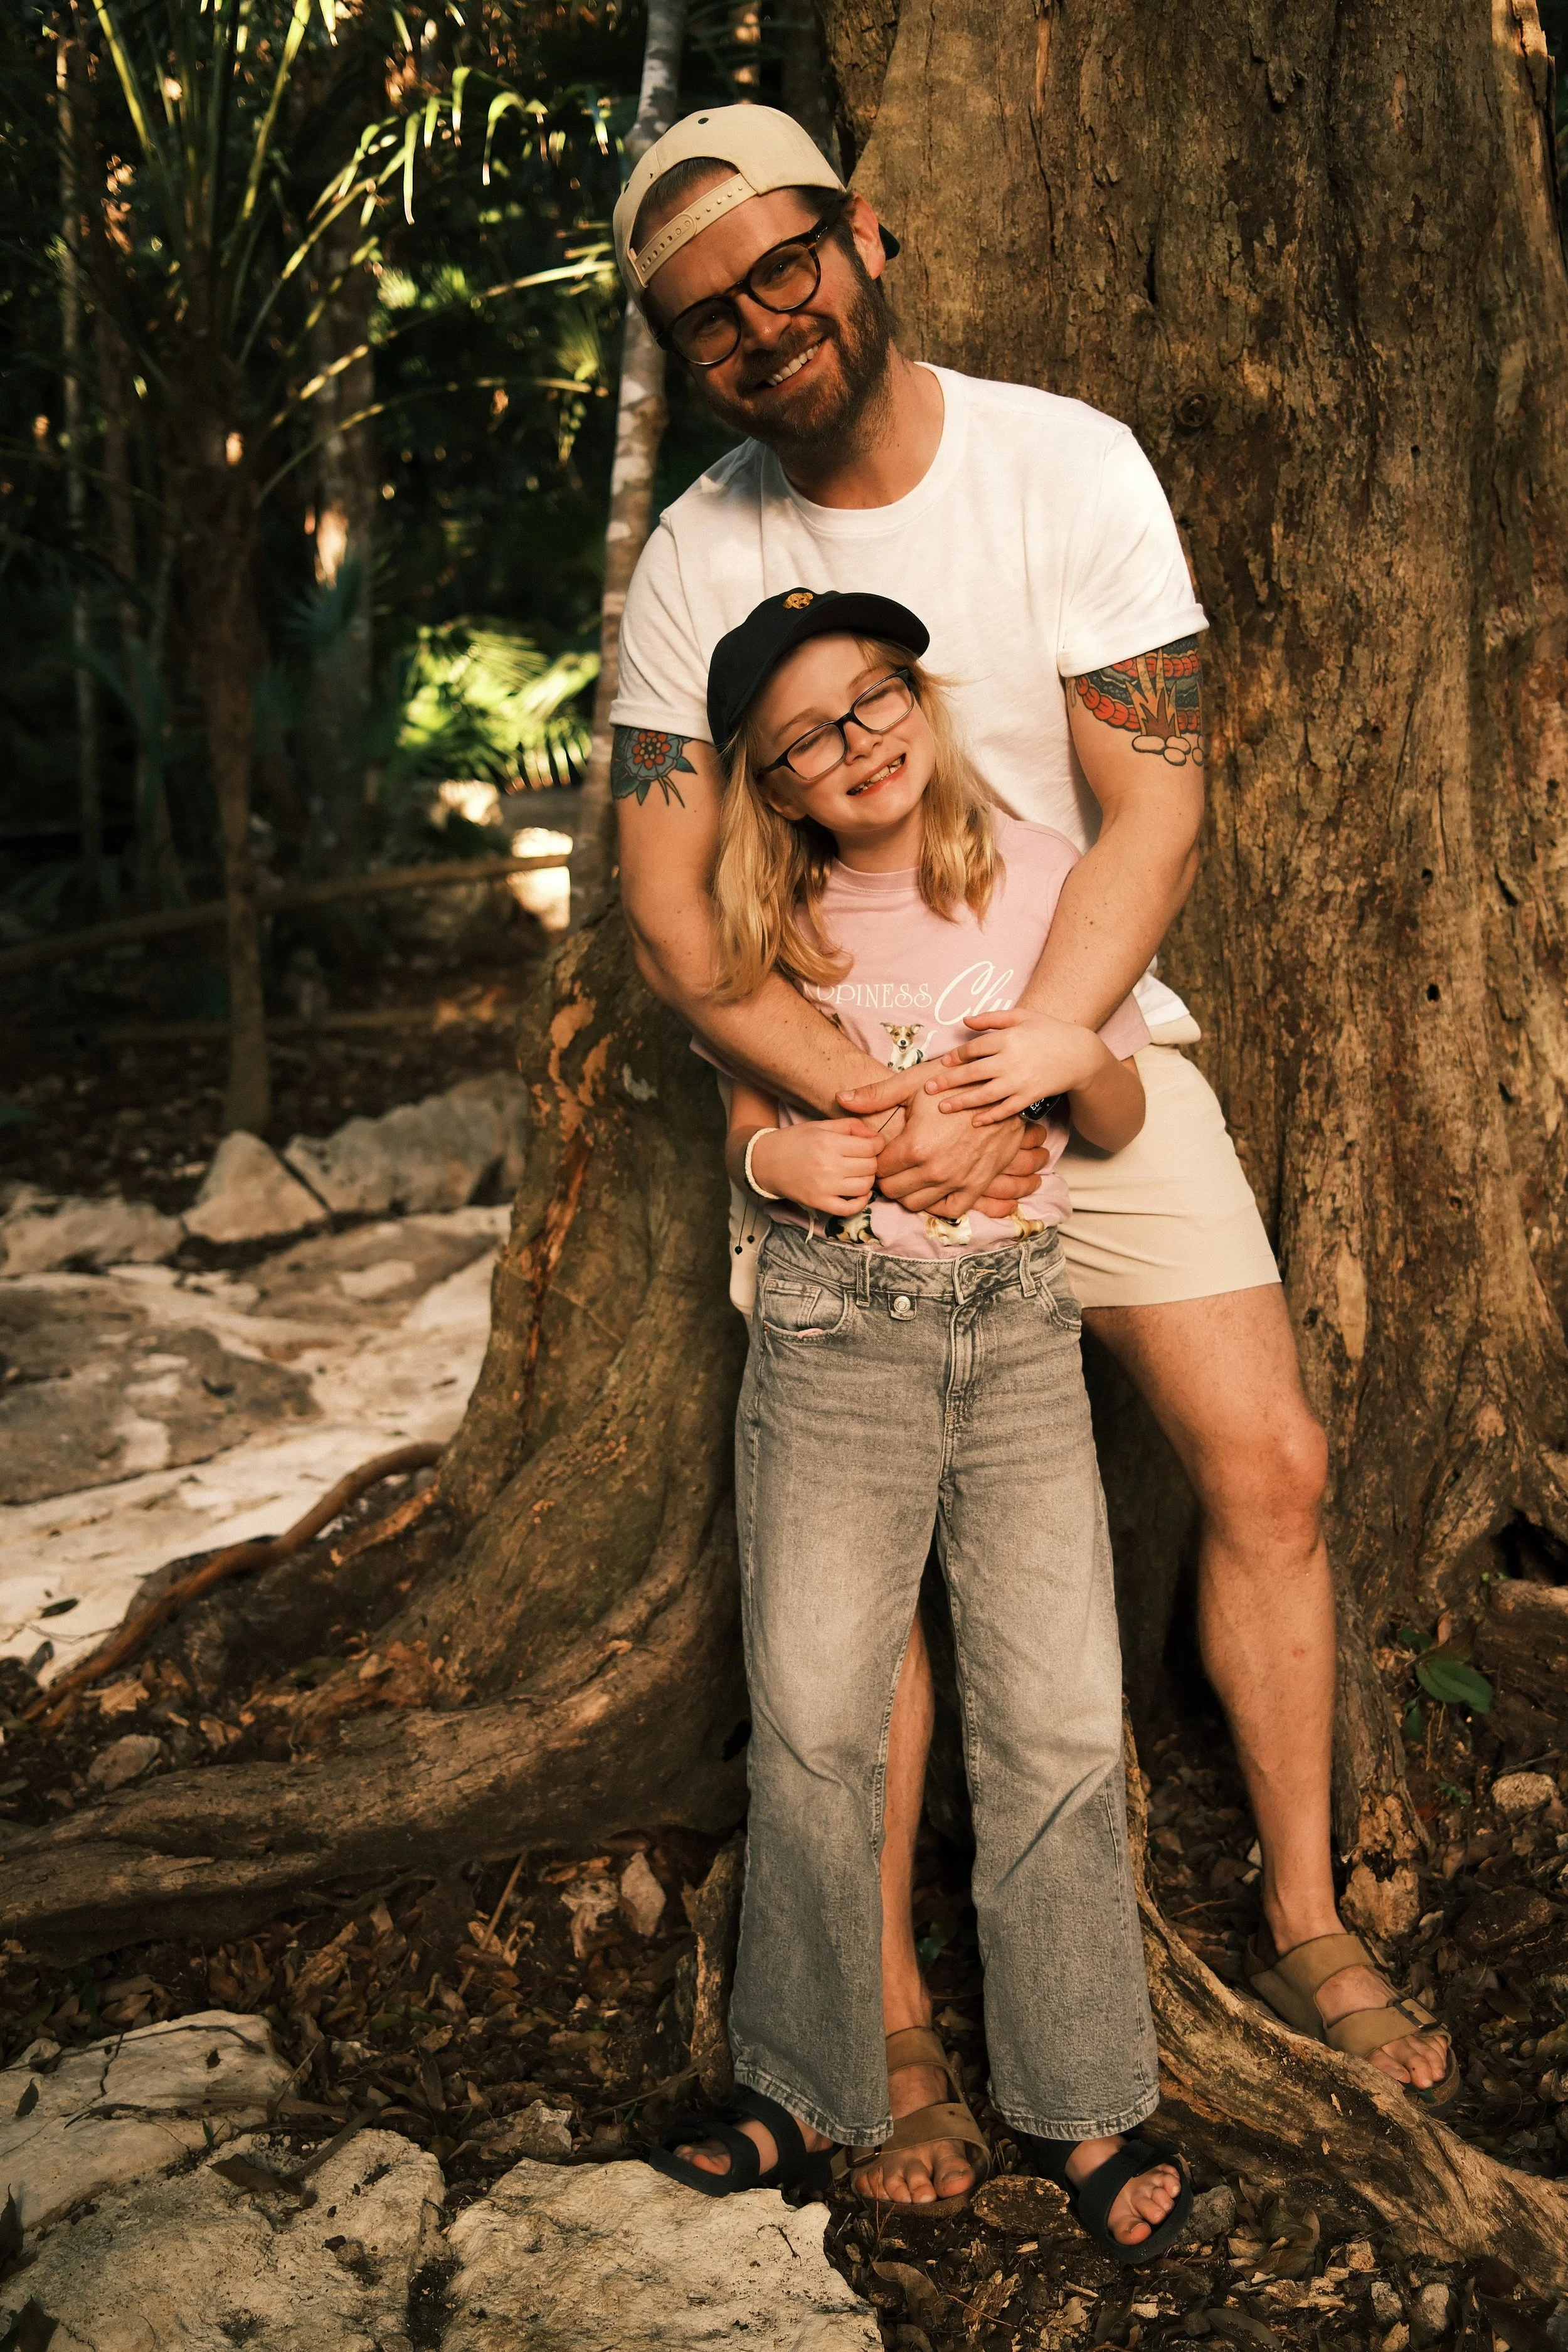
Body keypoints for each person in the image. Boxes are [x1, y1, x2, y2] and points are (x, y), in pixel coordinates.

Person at [607, 105, 1456, 2205]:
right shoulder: (693, 556)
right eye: (699, 316)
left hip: (1078, 1040)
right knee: (858, 1570)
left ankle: (1301, 1906)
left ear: (861, 235)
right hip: (843, 1098)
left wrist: (1033, 1058)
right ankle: (883, 2008)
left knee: (1267, 1464)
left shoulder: (1061, 460)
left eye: (778, 264)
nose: (755, 322)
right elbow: (665, 911)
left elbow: (1149, 796)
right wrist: (878, 1105)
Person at [648, 587, 1192, 2262]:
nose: (857, 743)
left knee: (1053, 1719)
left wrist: (1057, 1055)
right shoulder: (771, 913)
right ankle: (806, 2077)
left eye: (875, 698)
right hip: (830, 1347)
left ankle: (1084, 2090)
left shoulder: (1033, 872)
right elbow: (751, 1117)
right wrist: (769, 1162)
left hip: (1017, 1339)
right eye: (810, 735)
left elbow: (1113, 1103)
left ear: (919, 698)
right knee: (816, 1717)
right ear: (774, 779)